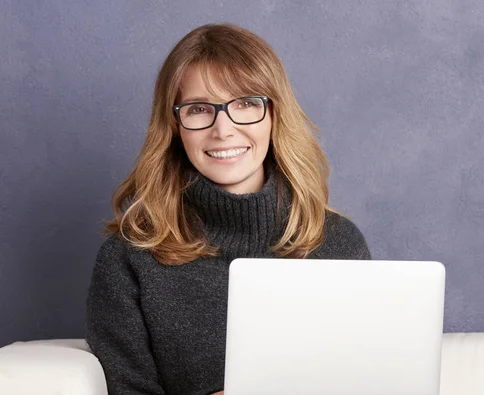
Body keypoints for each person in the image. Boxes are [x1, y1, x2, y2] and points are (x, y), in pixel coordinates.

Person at [86, 23, 371, 395]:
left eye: (246, 104)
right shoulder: (129, 258)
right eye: (200, 109)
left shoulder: (338, 244)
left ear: (274, 114)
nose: (223, 130)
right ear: (175, 125)